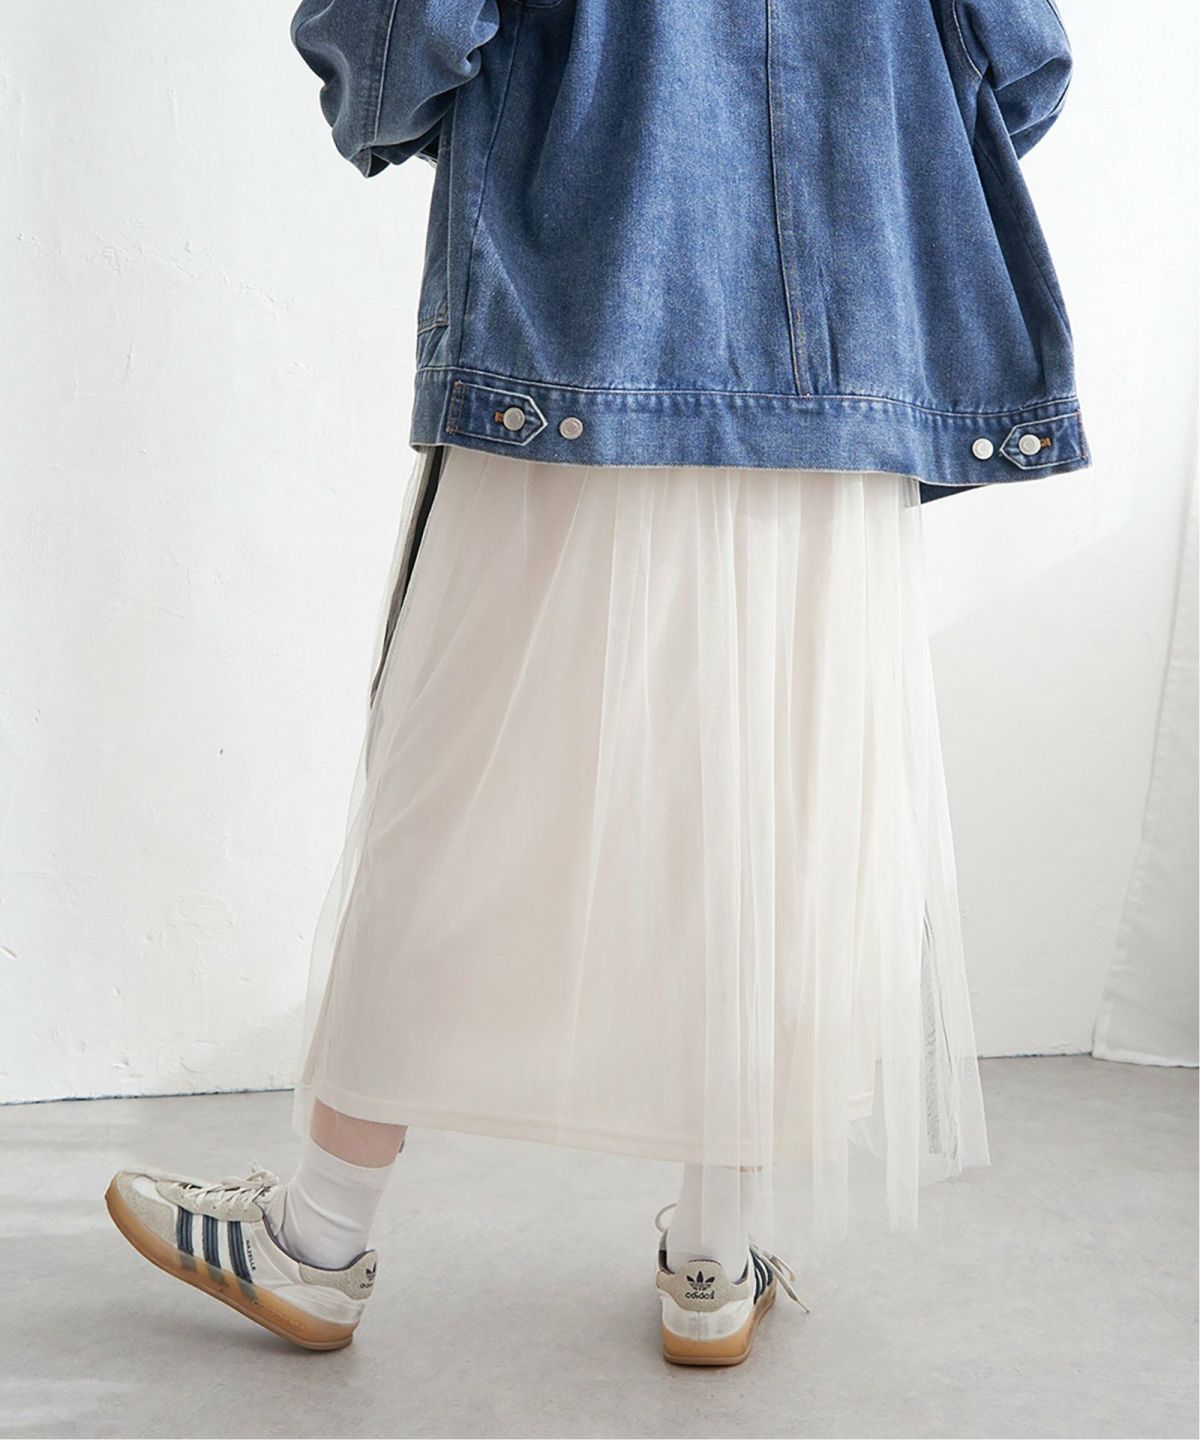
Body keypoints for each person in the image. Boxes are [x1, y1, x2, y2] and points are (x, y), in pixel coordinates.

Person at [106, 0, 1087, 1366]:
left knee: (458, 794)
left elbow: (407, 32)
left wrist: (404, 104)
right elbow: (1020, 63)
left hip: (584, 313)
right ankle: (713, 1262)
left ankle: (316, 1242)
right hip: (849, 359)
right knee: (768, 807)